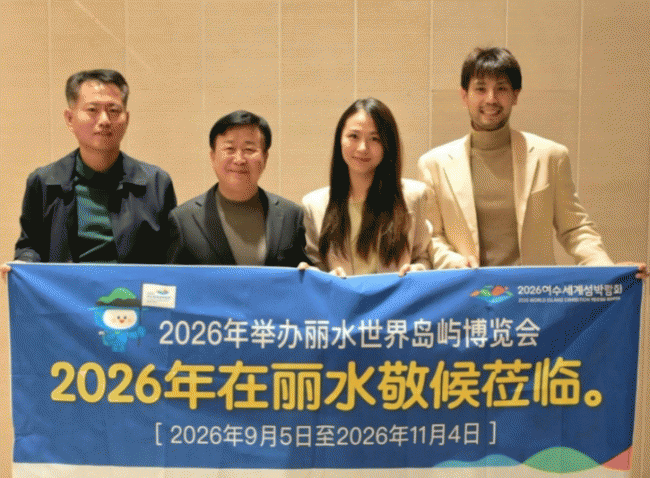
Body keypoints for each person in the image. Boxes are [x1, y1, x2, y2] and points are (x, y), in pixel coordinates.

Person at [417, 47, 647, 278]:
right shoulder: (434, 164)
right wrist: (456, 262)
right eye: (480, 89)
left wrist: (608, 270)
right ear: (464, 95)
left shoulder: (550, 157)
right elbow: (431, 237)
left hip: (535, 292)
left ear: (515, 95)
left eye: (501, 88)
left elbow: (575, 229)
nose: (491, 99)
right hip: (467, 292)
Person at [5, 69, 176, 274]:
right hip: (68, 292)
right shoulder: (44, 182)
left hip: (131, 292)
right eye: (92, 110)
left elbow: (171, 257)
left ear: (127, 118)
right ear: (70, 118)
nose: (104, 120)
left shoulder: (155, 183)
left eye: (113, 110)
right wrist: (24, 264)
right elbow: (30, 246)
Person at [301, 98, 433, 277]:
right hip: (341, 296)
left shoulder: (414, 196)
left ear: (387, 144)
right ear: (340, 139)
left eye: (375, 138)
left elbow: (424, 258)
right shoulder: (314, 205)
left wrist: (417, 270)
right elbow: (315, 264)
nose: (363, 147)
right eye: (353, 136)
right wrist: (315, 275)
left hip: (395, 294)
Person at [167, 110, 309, 266]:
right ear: (213, 157)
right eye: (230, 149)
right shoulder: (183, 220)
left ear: (265, 157)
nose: (239, 159)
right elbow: (171, 279)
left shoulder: (291, 216)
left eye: (249, 150)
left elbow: (302, 271)